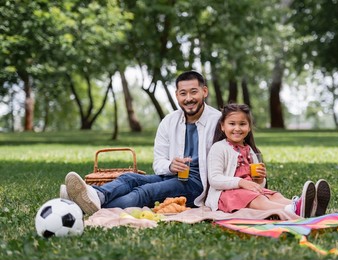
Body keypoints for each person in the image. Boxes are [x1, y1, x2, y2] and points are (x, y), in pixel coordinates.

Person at [61, 70, 222, 215]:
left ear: (204, 91)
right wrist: (170, 166)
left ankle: (78, 205)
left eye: (193, 92)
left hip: (198, 186)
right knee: (129, 178)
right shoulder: (169, 121)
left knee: (144, 192)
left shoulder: (217, 121)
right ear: (177, 95)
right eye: (183, 93)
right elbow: (158, 162)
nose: (188, 99)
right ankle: (96, 195)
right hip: (172, 177)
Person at [205, 103, 331, 217]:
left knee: (275, 196)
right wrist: (241, 183)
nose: (237, 128)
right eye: (232, 124)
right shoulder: (219, 148)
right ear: (222, 126)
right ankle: (294, 210)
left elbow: (257, 183)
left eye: (242, 124)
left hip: (249, 190)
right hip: (227, 195)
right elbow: (215, 179)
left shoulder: (250, 150)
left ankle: (307, 206)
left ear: (249, 127)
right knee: (259, 200)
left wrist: (259, 180)